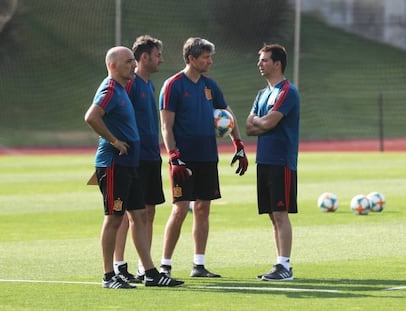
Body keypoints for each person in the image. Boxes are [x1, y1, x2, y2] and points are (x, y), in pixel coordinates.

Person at [84, 46, 184, 288]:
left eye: (132, 61)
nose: (132, 65)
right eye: (128, 62)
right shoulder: (109, 89)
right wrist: (115, 141)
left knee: (138, 215)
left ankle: (150, 273)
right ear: (113, 66)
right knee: (114, 218)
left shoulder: (121, 89)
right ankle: (109, 276)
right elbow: (91, 116)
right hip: (114, 164)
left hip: (130, 165)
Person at [159, 37, 248, 278]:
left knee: (203, 208)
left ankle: (198, 264)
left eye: (210, 57)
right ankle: (165, 265)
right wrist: (174, 157)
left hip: (208, 156)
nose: (210, 61)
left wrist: (238, 144)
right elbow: (166, 126)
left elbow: (227, 115)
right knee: (179, 209)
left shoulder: (210, 85)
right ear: (191, 59)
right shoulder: (173, 85)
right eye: (206, 57)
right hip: (183, 159)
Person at [113, 35, 165, 283]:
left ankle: (146, 267)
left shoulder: (149, 85)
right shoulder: (131, 84)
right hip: (135, 157)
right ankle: (119, 265)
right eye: (157, 56)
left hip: (151, 156)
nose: (161, 60)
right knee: (127, 212)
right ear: (144, 58)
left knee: (148, 212)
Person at [245, 44, 300, 281]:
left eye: (265, 60)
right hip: (264, 160)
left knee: (280, 213)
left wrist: (261, 121)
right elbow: (249, 127)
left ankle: (285, 266)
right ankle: (279, 264)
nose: (260, 64)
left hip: (281, 161)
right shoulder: (262, 94)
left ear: (277, 64)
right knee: (271, 214)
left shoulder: (287, 91)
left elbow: (266, 124)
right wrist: (262, 121)